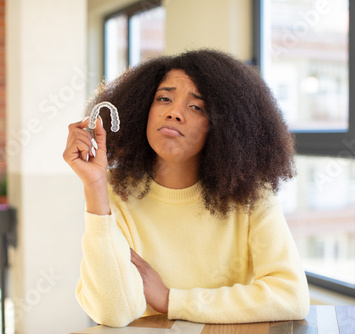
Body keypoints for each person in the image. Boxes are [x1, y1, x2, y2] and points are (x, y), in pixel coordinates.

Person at [63, 49, 309, 327]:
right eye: (164, 99)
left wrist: (170, 300)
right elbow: (113, 312)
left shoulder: (252, 195)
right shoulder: (113, 192)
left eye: (197, 107)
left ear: (224, 126)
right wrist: (95, 187)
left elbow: (291, 296)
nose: (173, 113)